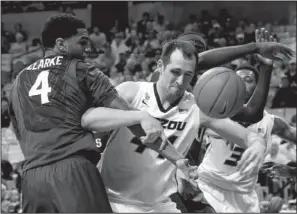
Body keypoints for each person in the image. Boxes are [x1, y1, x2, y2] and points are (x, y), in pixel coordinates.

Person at [8, 13, 172, 213]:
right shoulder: (81, 70)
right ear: (60, 44)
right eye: (82, 42)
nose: (88, 48)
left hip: (32, 180)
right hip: (73, 172)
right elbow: (128, 115)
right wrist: (177, 158)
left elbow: (20, 132)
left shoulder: (18, 81)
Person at [81, 39, 268, 213]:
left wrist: (258, 144)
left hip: (159, 205)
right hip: (114, 199)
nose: (180, 82)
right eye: (175, 72)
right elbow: (88, 118)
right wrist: (138, 116)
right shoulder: (133, 92)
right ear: (160, 66)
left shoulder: (197, 109)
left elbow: (248, 136)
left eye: (188, 75)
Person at [195, 57, 296, 213]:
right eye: (236, 80)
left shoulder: (273, 123)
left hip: (245, 197)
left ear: (258, 88)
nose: (240, 84)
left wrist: (293, 172)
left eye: (247, 80)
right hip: (209, 188)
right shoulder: (215, 112)